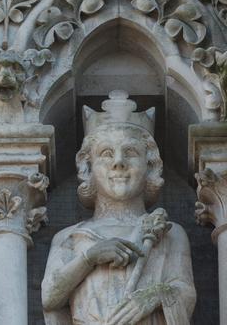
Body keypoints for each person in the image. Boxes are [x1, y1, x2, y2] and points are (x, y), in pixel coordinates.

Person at [41, 92, 193, 325]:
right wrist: (90, 258)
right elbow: (50, 296)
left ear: (150, 165)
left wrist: (153, 296)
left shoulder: (171, 234)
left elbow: (185, 293)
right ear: (88, 167)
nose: (118, 162)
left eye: (131, 152)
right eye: (106, 153)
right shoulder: (70, 237)